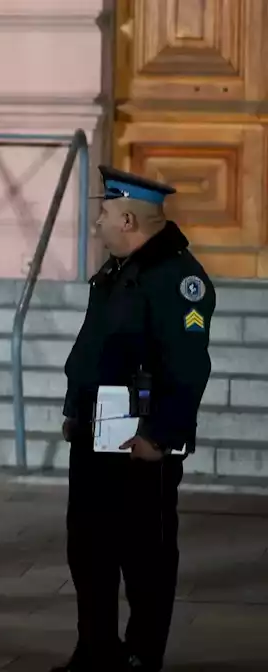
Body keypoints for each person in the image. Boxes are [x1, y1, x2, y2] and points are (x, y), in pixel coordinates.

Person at [54, 167, 216, 672]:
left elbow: (187, 365)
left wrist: (161, 436)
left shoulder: (177, 278)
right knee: (89, 552)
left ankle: (142, 655)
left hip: (141, 444)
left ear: (127, 218)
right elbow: (96, 347)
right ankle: (96, 651)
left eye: (103, 214)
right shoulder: (119, 268)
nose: (96, 223)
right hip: (97, 437)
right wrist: (75, 411)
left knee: (145, 558)